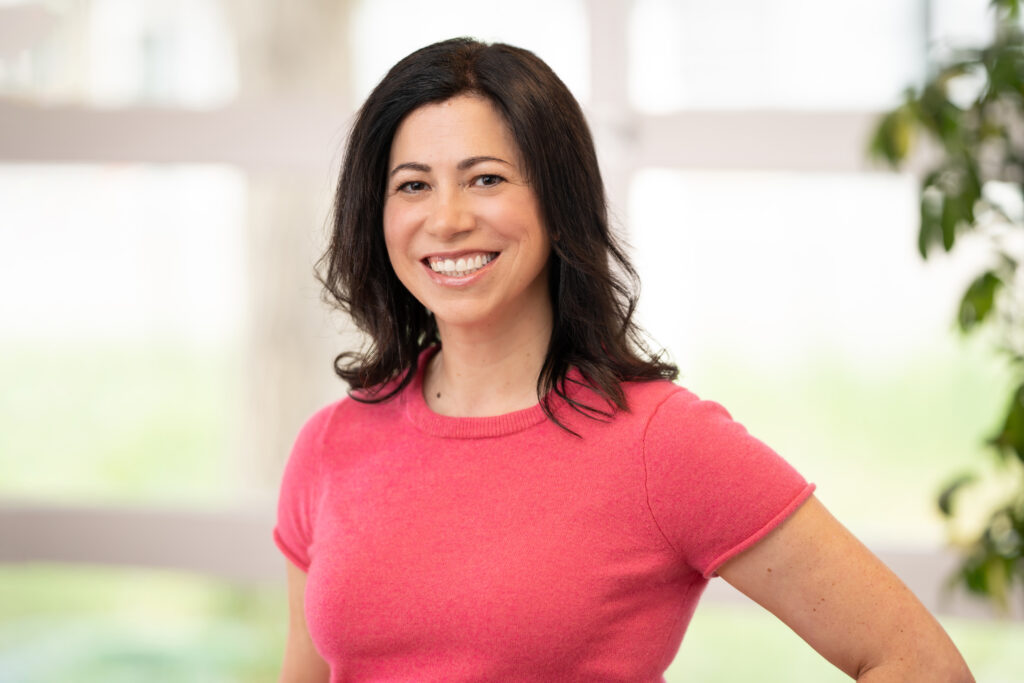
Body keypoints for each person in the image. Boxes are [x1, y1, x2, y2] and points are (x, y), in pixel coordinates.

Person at [274, 38, 974, 682]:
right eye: (414, 185)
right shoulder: (331, 444)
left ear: (557, 201)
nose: (448, 217)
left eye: (486, 179)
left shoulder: (660, 442)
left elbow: (918, 663)